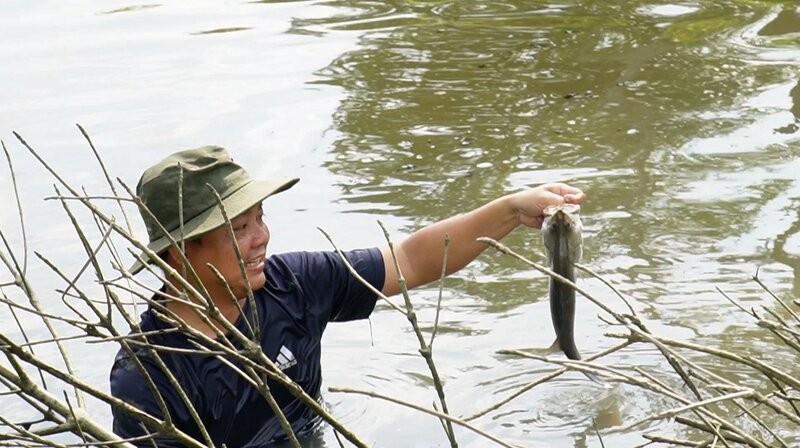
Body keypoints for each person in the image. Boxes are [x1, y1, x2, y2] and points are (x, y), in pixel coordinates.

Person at [109, 146, 586, 447]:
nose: (262, 238)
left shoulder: (291, 283)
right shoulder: (149, 371)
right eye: (240, 228)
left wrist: (509, 209)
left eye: (261, 218)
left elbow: (409, 259)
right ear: (176, 253)